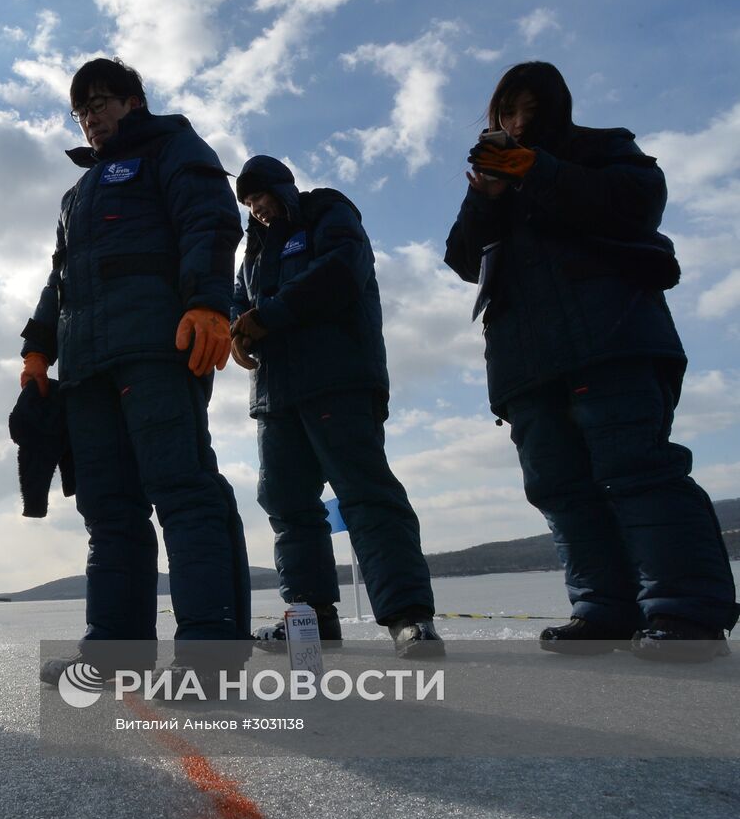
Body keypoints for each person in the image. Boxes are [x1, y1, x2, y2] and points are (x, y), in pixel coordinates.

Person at [445, 61, 737, 661]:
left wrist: (538, 169)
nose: (518, 122)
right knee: (558, 486)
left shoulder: (604, 149)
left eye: (532, 109)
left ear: (556, 109)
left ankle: (687, 613)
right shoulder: (490, 184)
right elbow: (461, 259)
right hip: (526, 361)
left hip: (613, 339)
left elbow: (639, 202)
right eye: (507, 110)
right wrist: (489, 197)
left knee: (638, 471)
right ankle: (603, 610)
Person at [21, 58, 251, 682]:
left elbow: (211, 222)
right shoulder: (78, 194)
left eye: (99, 102)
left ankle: (211, 653)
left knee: (181, 489)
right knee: (109, 508)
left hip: (156, 347)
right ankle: (115, 651)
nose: (90, 117)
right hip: (88, 366)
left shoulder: (173, 148)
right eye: (81, 110)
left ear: (132, 101)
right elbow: (61, 279)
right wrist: (38, 347)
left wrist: (208, 302)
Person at [231, 156, 443, 658]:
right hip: (274, 396)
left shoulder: (328, 212)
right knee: (287, 506)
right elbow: (237, 301)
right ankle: (311, 620)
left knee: (366, 494)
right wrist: (236, 327)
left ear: (284, 188)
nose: (258, 209)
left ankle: (409, 618)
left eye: (261, 197)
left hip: (337, 381)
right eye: (250, 203)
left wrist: (271, 315)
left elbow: (341, 272)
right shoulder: (252, 254)